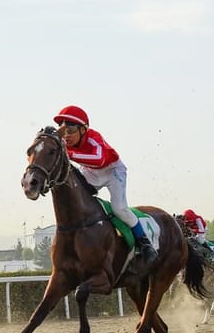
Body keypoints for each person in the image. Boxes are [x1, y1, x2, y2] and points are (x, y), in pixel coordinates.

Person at [53, 105, 157, 264]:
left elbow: (99, 159)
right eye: (63, 130)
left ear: (83, 129)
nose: (66, 135)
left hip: (113, 171)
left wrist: (69, 154)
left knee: (119, 208)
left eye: (71, 130)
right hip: (91, 171)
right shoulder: (65, 142)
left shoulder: (94, 137)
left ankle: (145, 243)